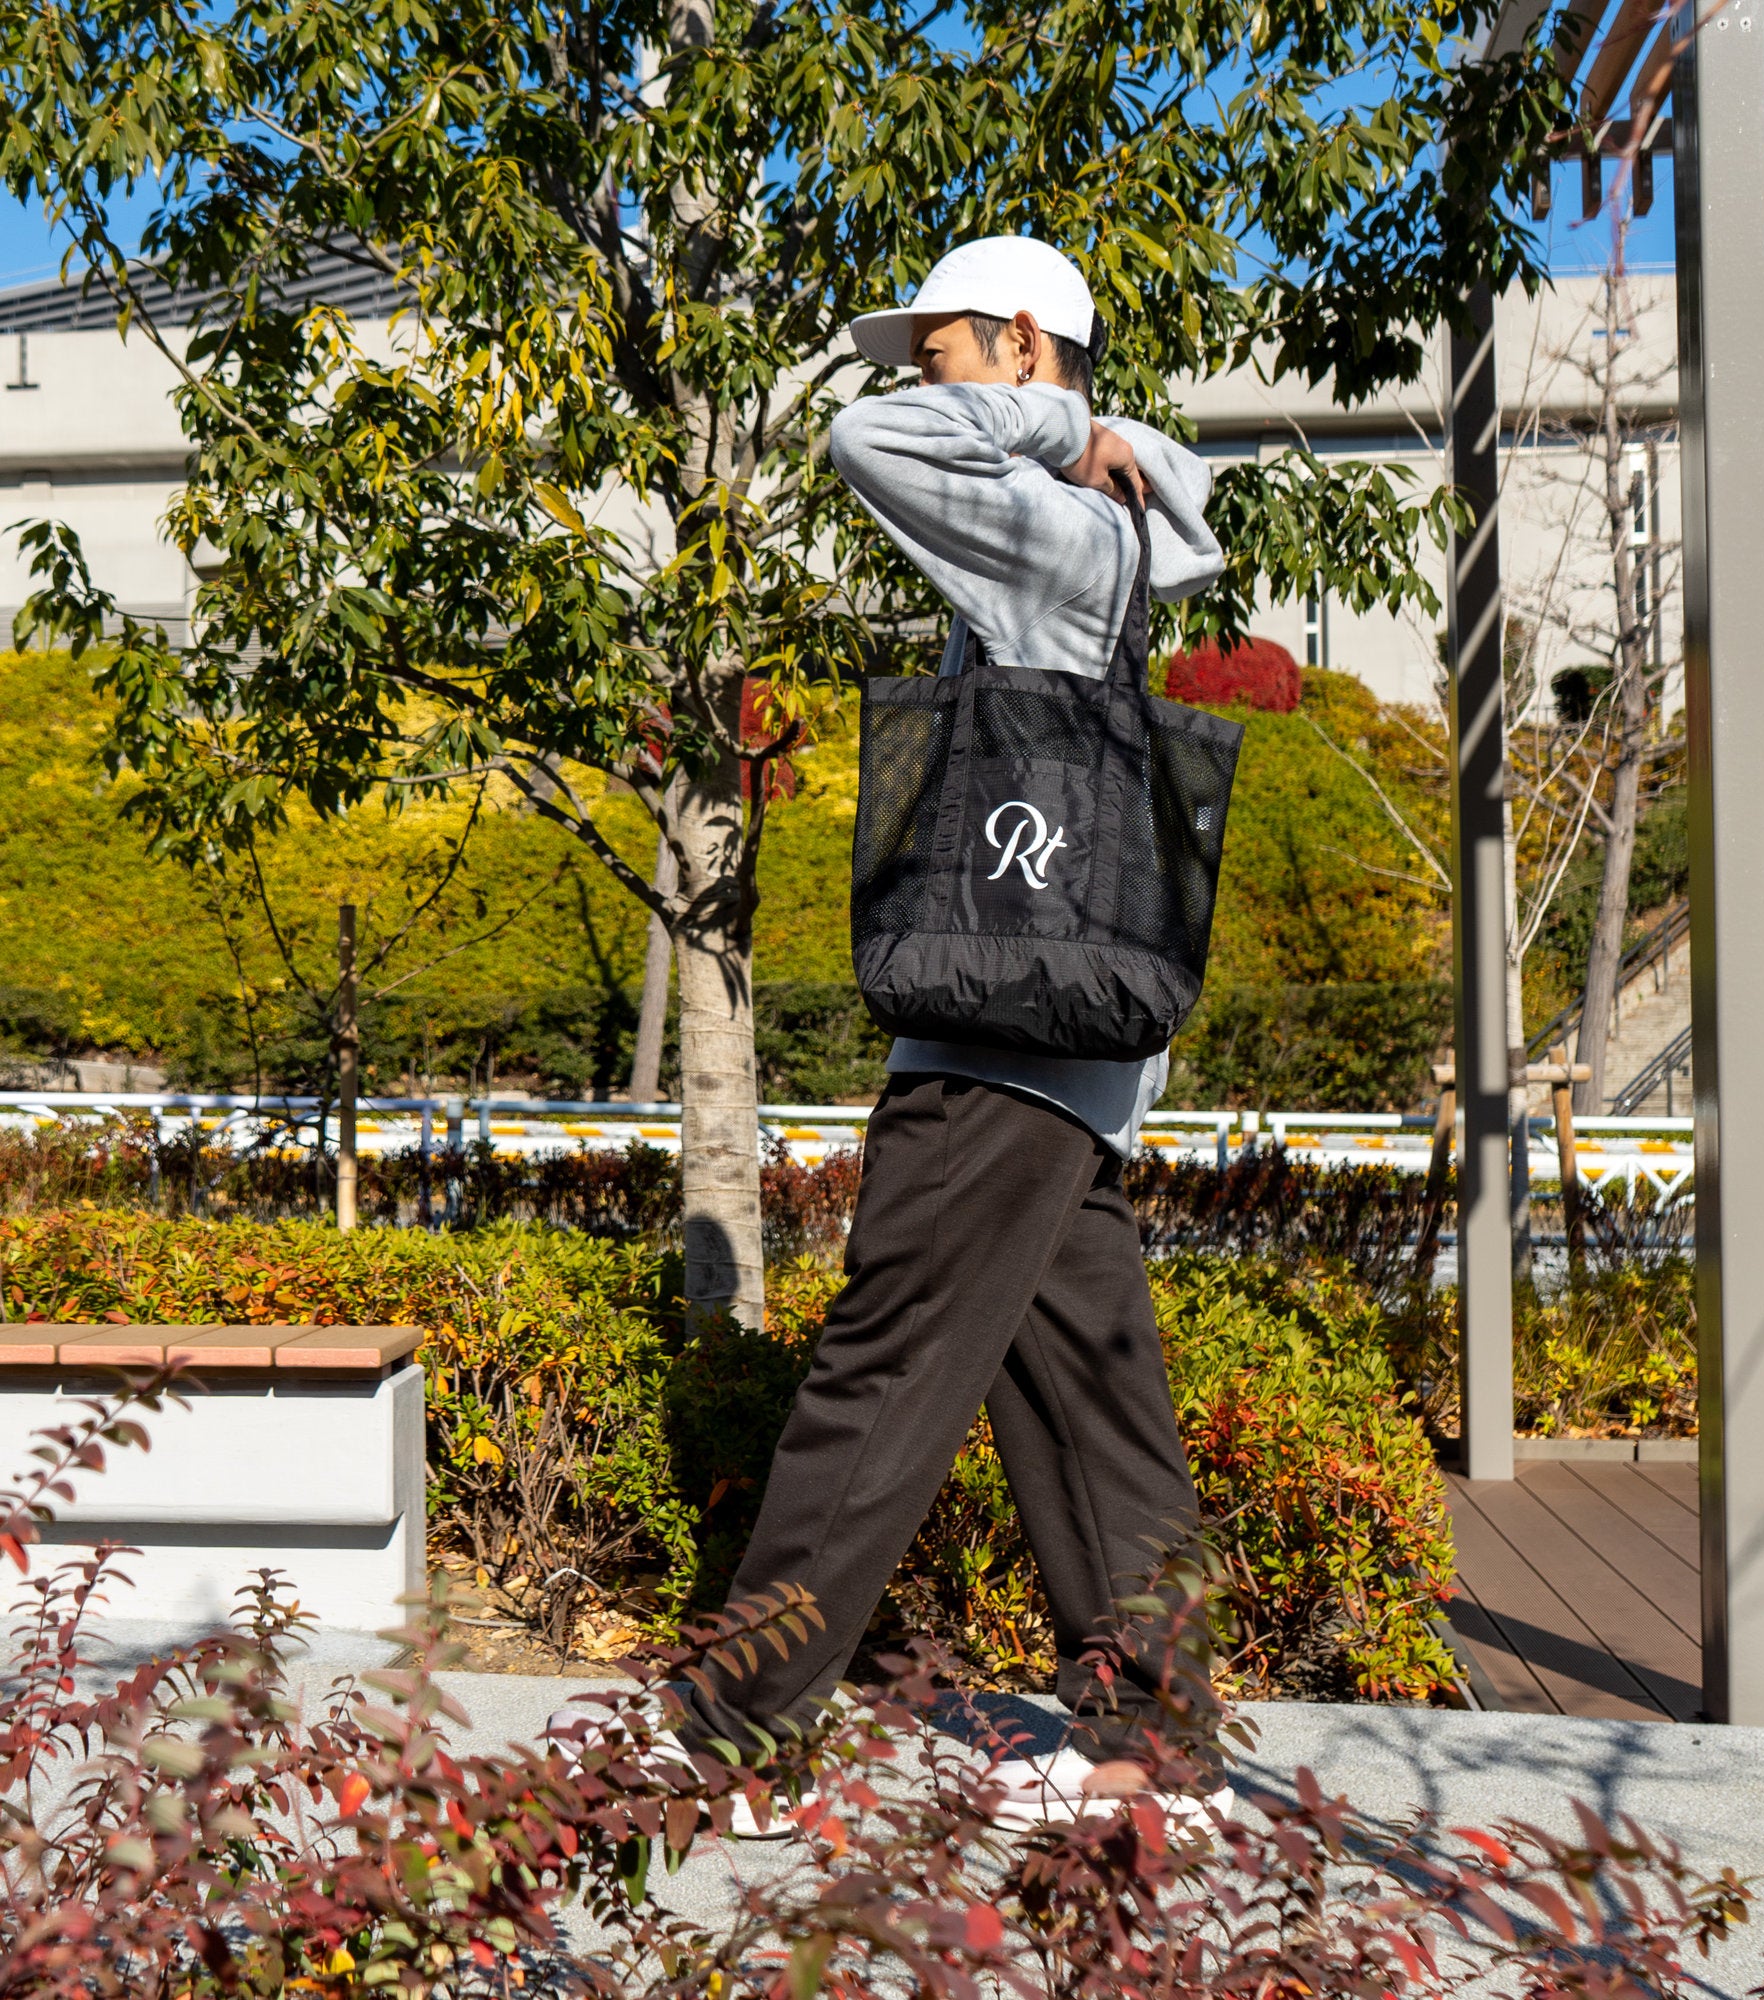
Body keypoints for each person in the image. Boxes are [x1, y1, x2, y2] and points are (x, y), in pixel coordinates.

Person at [682, 236, 1230, 1828]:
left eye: (935, 350)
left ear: (1016, 341)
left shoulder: (1052, 521)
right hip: (1073, 1040)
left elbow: (866, 441)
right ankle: (1158, 1738)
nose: (912, 379)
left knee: (885, 1361)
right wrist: (1084, 435)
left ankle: (730, 1722)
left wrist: (1056, 426)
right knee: (1085, 1388)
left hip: (997, 1032)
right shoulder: (1110, 524)